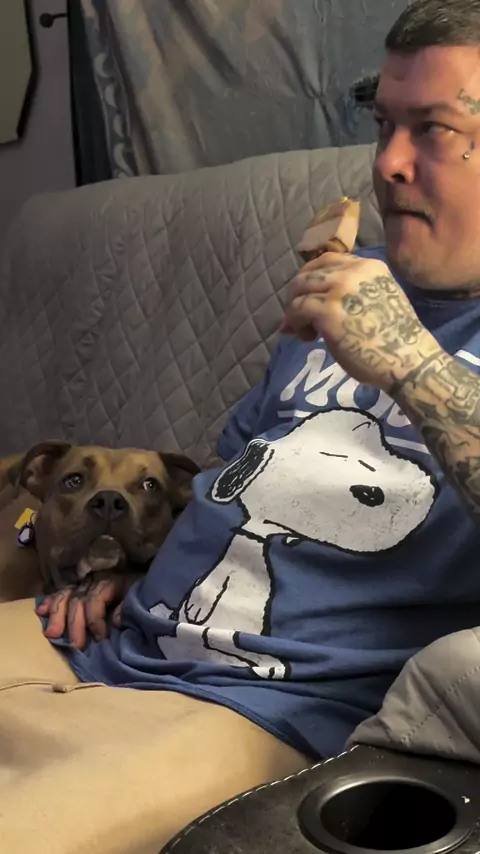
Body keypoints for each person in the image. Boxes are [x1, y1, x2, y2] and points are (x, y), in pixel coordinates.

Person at [4, 1, 480, 851]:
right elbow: (229, 479)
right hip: (95, 641)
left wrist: (411, 361)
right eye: (383, 125)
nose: (388, 164)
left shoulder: (382, 321)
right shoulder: (342, 289)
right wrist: (129, 566)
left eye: (434, 130)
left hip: (257, 708)